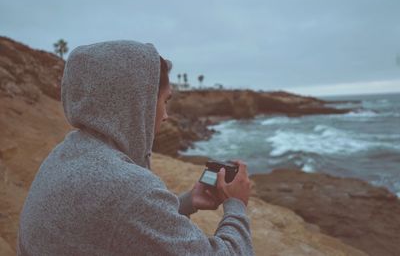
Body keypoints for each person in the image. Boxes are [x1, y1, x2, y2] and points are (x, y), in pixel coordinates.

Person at [16, 40, 254, 255]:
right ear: (139, 102)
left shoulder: (63, 155)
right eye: (165, 100)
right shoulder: (127, 187)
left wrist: (188, 202)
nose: (166, 116)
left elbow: (116, 223)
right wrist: (236, 206)